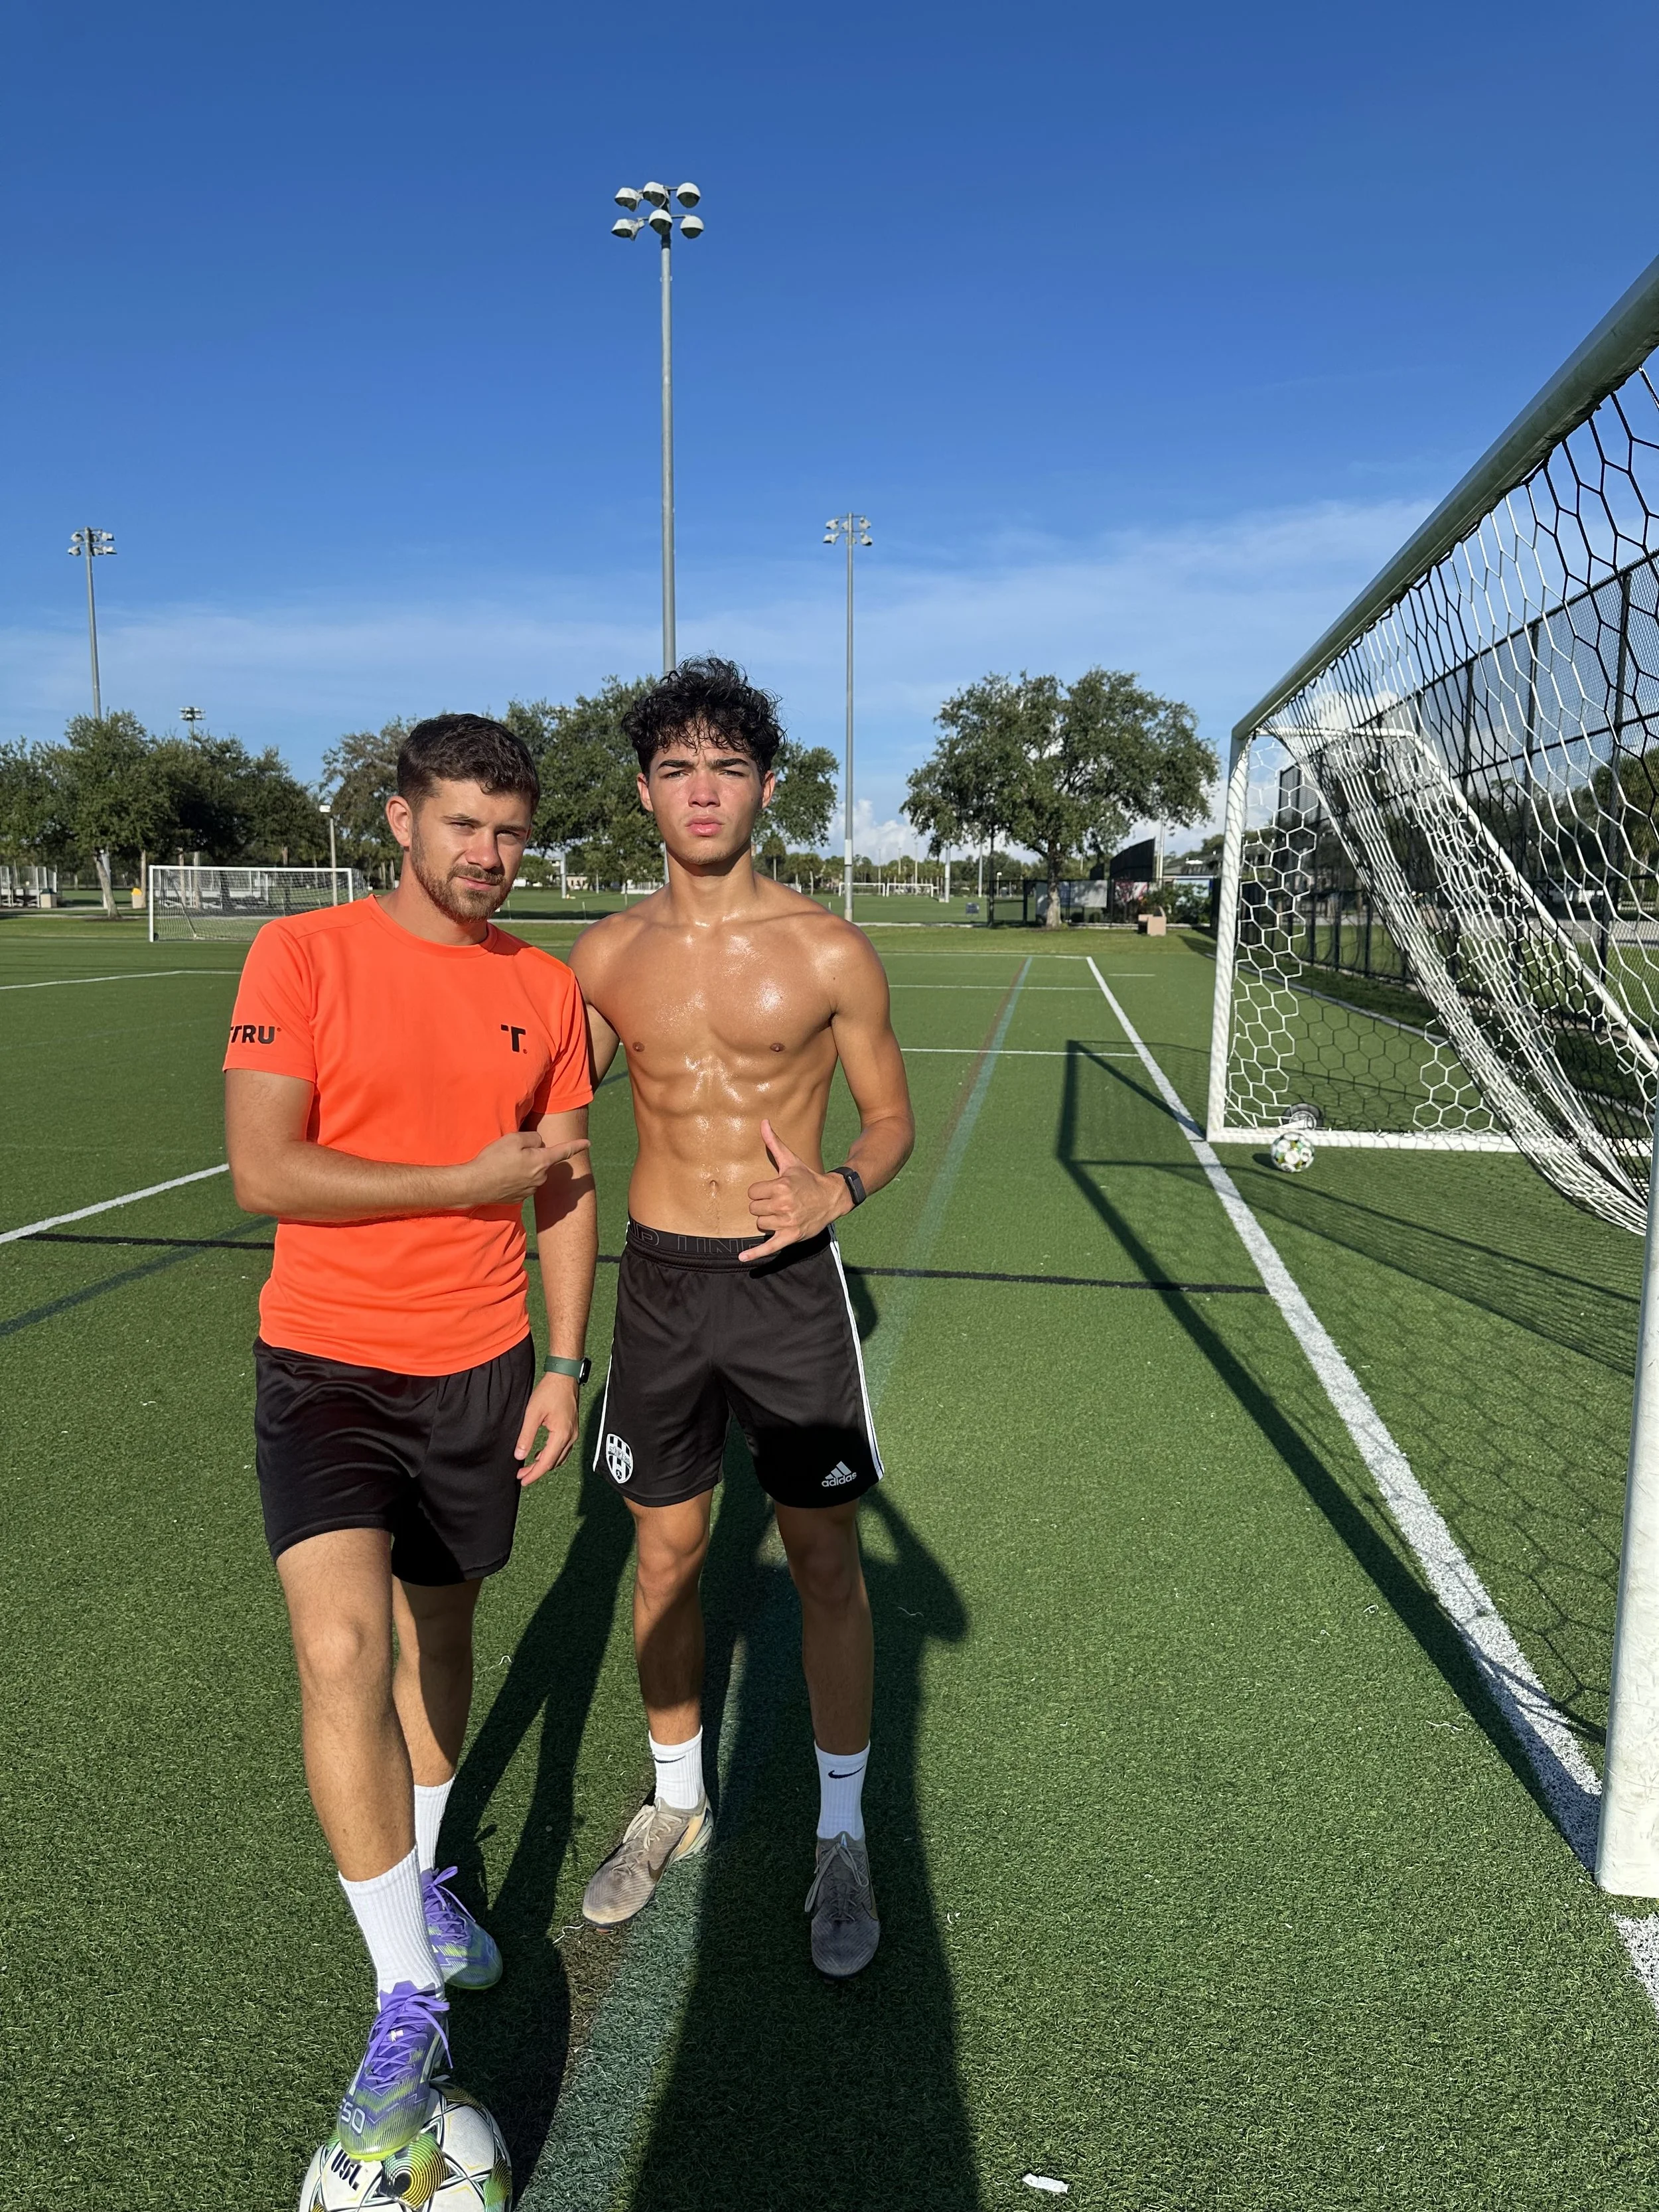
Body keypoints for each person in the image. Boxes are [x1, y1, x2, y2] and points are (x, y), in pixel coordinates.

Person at [223, 715, 597, 2158]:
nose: (489, 857)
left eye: (509, 832)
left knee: (442, 1642)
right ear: (398, 820)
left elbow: (561, 1188)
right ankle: (402, 2001)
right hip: (323, 1365)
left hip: (482, 1367)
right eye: (462, 826)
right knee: (338, 1649)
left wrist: (565, 1361)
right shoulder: (302, 958)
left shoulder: (543, 987)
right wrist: (464, 1175)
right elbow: (267, 1167)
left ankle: (430, 1873)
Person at [569, 656, 914, 1978]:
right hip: (659, 1279)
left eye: (726, 767)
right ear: (646, 791)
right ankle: (675, 1798)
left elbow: (887, 1118)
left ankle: (838, 1833)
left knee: (824, 1561)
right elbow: (546, 1106)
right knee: (662, 1559)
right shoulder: (605, 954)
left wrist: (841, 1183)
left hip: (784, 1287)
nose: (700, 791)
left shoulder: (828, 947)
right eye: (675, 768)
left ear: (767, 786)